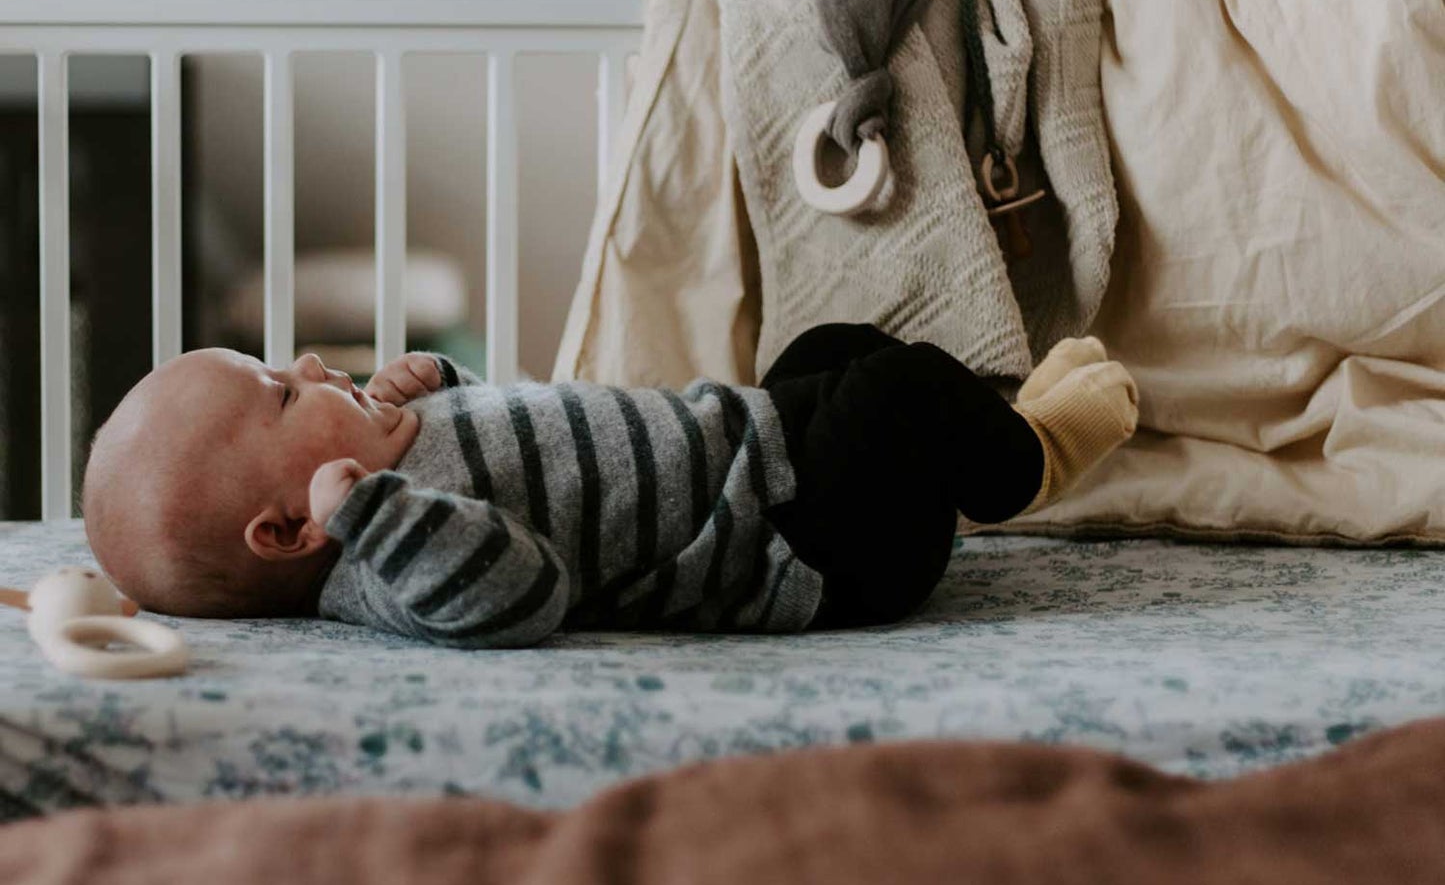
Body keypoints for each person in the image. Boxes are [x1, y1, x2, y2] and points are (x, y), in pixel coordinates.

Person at [81, 325, 1138, 645]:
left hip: (757, 444)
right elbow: (520, 585)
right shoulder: (386, 564)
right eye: (280, 394)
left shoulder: (393, 450)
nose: (310, 365)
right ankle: (1020, 463)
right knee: (894, 388)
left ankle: (983, 434)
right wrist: (373, 513)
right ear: (287, 528)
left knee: (825, 344)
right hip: (804, 543)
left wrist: (444, 387)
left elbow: (534, 447)